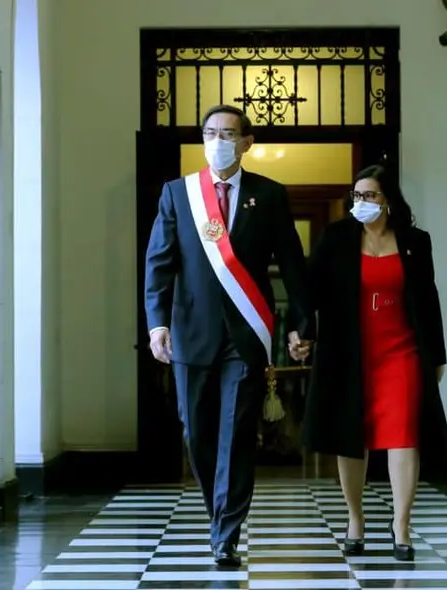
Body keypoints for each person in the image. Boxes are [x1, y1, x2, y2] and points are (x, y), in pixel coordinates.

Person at [144, 104, 314, 568]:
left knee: (237, 433)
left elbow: (293, 264)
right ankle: (219, 512)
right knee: (196, 431)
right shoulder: (178, 194)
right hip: (190, 333)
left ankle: (226, 533)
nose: (219, 141)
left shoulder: (269, 194)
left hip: (246, 335)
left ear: (246, 142)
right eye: (211, 132)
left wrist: (302, 324)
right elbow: (159, 263)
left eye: (228, 133)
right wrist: (157, 324)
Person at [294, 164, 447, 561]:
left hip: (402, 351)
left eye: (369, 195)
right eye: (356, 196)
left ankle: (402, 524)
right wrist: (301, 331)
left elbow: (428, 300)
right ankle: (355, 518)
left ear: (388, 200)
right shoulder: (337, 238)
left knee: (404, 433)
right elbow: (310, 289)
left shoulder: (415, 241)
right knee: (352, 435)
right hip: (350, 351)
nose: (361, 202)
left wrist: (437, 355)